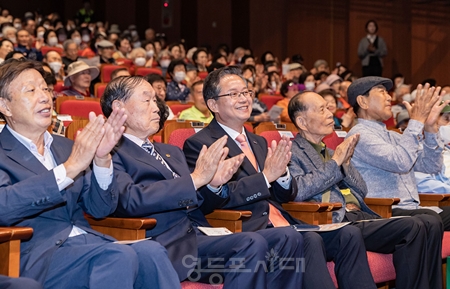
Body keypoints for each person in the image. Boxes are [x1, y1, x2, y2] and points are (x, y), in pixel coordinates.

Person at [183, 66, 380, 289]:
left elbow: (284, 194)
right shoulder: (201, 143)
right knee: (309, 240)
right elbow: (213, 200)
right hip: (248, 229)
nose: (244, 99)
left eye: (247, 92)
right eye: (234, 94)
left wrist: (283, 176)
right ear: (213, 104)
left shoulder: (257, 141)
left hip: (285, 221)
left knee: (349, 234)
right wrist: (266, 177)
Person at [100, 75, 304, 288]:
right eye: (147, 100)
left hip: (201, 236)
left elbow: (199, 204)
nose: (157, 107)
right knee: (251, 243)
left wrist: (214, 185)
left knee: (288, 238)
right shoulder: (110, 152)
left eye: (155, 100)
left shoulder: (170, 152)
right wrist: (196, 179)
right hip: (166, 246)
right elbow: (130, 200)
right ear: (118, 107)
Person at [0, 59, 180, 289]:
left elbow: (99, 209)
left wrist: (102, 159)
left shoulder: (66, 146)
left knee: (151, 251)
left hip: (89, 242)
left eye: (45, 88)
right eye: (31, 90)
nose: (45, 96)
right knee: (116, 256)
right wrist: (69, 169)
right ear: (5, 106)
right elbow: (4, 207)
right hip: (35, 254)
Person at [287, 91, 443, 289]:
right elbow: (299, 189)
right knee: (413, 227)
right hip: (336, 221)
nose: (329, 113)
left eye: (328, 107)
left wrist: (346, 164)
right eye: (322, 109)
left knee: (426, 223)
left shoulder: (333, 151)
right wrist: (336, 163)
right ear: (302, 122)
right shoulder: (292, 151)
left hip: (359, 213)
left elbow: (361, 189)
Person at [346, 76, 450, 230]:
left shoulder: (394, 136)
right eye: (382, 92)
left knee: (429, 217)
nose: (389, 97)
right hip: (384, 211)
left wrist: (430, 128)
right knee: (428, 219)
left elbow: (431, 166)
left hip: (412, 210)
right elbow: (401, 162)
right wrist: (416, 122)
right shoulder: (359, 135)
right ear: (363, 102)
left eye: (388, 93)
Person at [415, 103, 450, 193]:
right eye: (446, 119)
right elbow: (419, 181)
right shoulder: (417, 149)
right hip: (439, 199)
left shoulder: (447, 148)